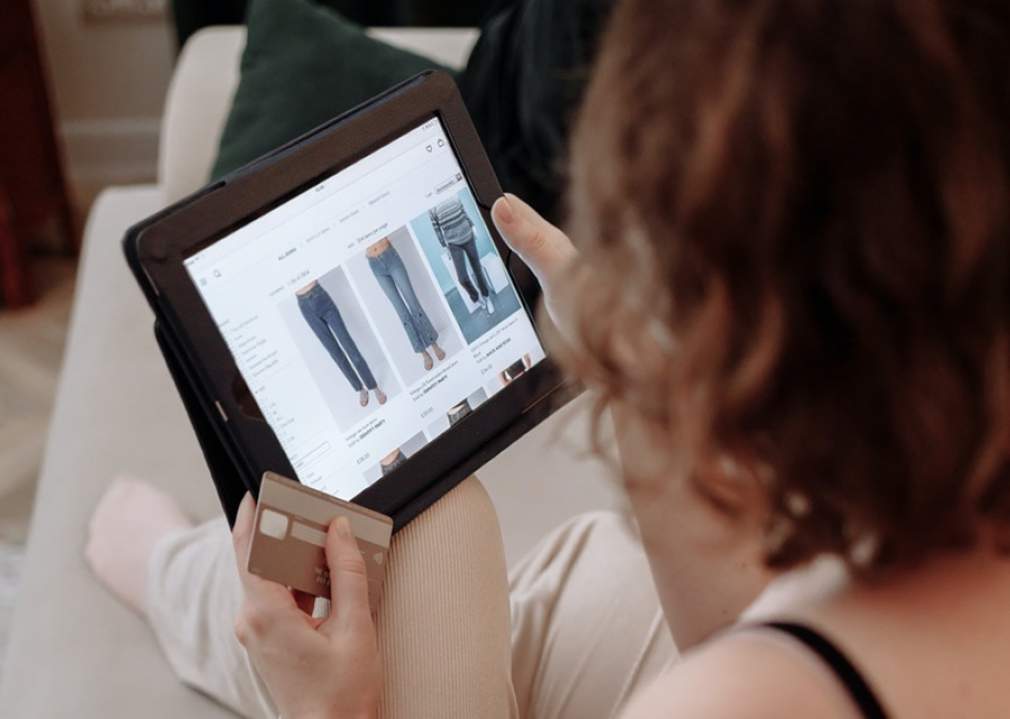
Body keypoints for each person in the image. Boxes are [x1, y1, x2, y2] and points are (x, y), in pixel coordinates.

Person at [86, 0, 1009, 717]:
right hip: (756, 632)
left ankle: (179, 574)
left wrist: (330, 710)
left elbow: (742, 664)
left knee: (396, 558)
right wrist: (641, 391)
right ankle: (187, 574)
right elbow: (736, 626)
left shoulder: (734, 700)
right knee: (453, 542)